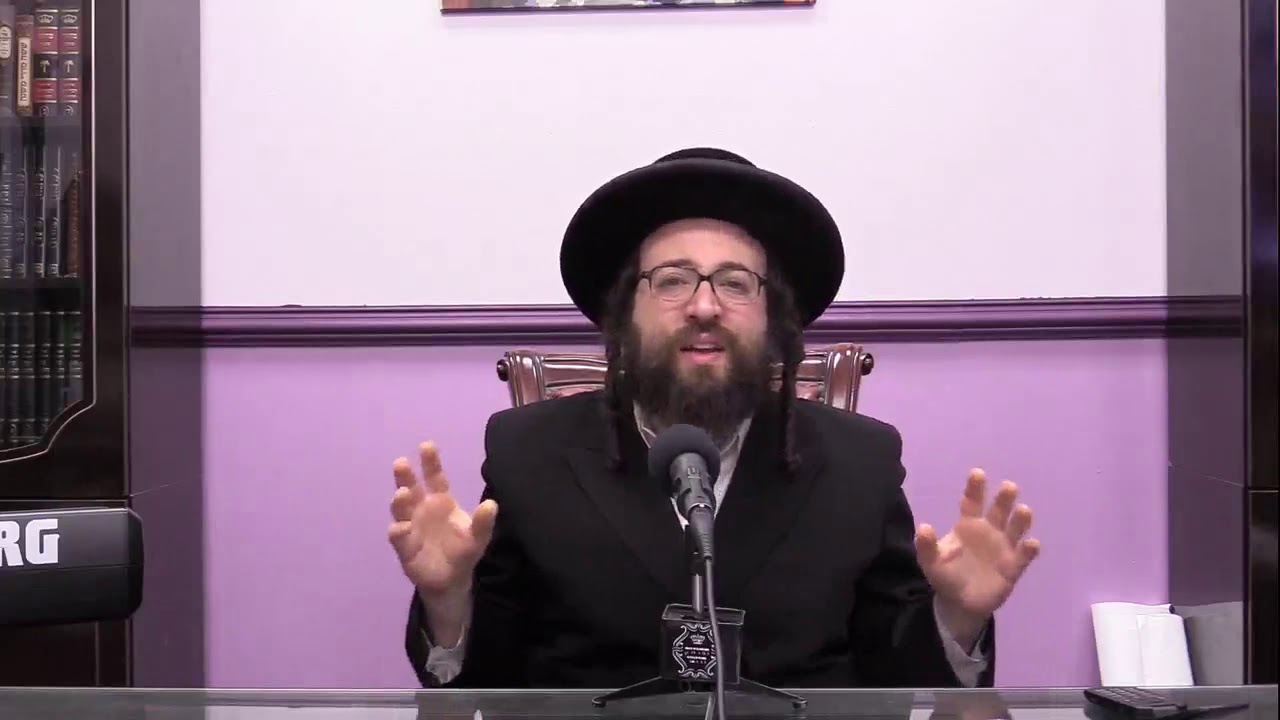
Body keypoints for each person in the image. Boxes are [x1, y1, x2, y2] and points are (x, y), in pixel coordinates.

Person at [388, 147, 1041, 690]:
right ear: (626, 311)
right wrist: (449, 600)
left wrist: (956, 619)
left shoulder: (860, 463)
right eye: (673, 280)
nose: (704, 307)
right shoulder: (528, 452)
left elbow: (895, 675)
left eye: (734, 282)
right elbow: (486, 680)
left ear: (773, 316)